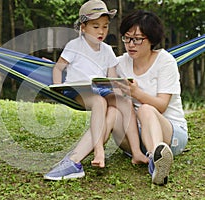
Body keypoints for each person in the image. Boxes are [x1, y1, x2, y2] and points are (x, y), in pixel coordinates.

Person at [44, 0, 147, 181]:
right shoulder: (74, 46)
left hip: (100, 89)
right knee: (99, 102)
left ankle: (137, 152)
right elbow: (58, 68)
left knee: (125, 101)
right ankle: (99, 149)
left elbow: (112, 78)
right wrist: (57, 88)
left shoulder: (107, 50)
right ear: (83, 27)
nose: (101, 31)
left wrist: (119, 88)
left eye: (105, 27)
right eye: (95, 26)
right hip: (77, 91)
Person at [112, 10, 188, 185]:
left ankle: (157, 160)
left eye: (137, 39)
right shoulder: (121, 63)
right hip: (136, 137)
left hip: (170, 133)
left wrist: (137, 93)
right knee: (112, 111)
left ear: (152, 40)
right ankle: (145, 154)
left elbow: (162, 105)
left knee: (146, 110)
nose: (131, 44)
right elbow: (92, 73)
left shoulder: (165, 62)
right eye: (127, 38)